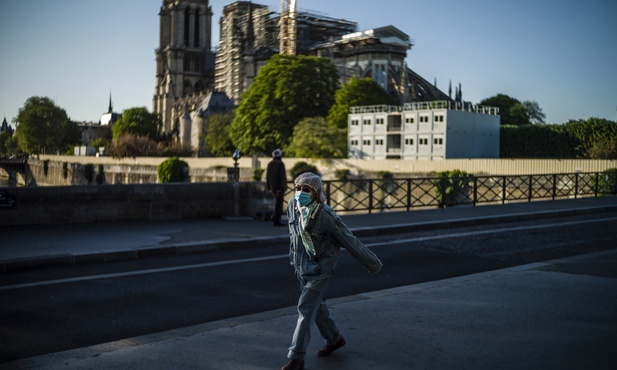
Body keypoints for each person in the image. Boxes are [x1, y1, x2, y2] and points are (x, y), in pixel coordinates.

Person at [281, 172, 383, 370]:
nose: (300, 192)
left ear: (317, 193)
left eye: (306, 189)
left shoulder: (326, 215)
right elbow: (294, 237)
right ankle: (335, 339)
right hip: (302, 266)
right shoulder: (292, 205)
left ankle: (297, 358)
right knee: (317, 307)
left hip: (321, 268)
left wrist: (373, 264)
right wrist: (294, 261)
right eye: (298, 188)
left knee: (306, 308)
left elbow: (349, 240)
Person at [267, 148, 287, 226]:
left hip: (272, 187)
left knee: (275, 203)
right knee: (278, 204)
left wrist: (269, 187)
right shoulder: (280, 164)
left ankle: (274, 217)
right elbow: (281, 177)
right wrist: (281, 188)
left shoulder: (270, 164)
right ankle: (277, 219)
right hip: (279, 188)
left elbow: (268, 176)